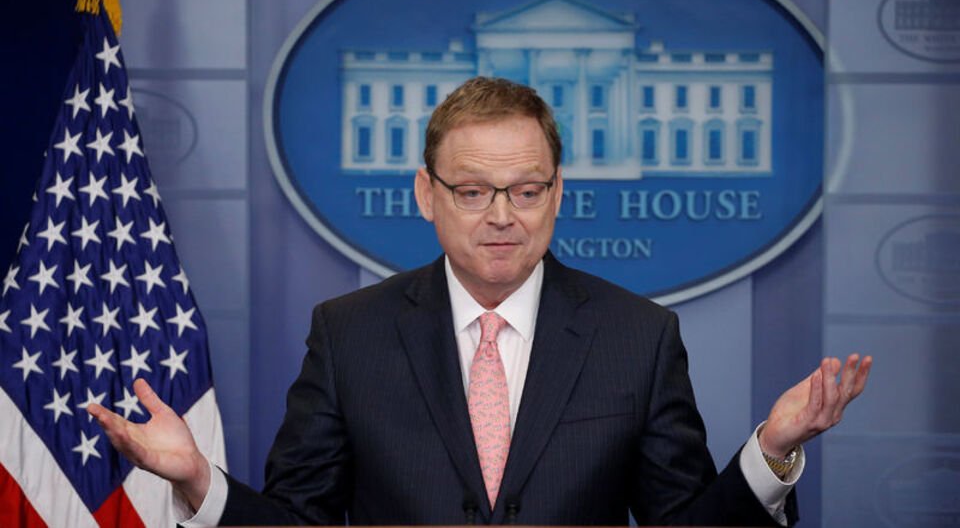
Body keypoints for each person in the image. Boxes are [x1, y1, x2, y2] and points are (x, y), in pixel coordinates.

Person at [89, 77, 871, 526]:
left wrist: (771, 452)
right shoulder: (349, 334)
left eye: (526, 189)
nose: (502, 215)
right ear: (426, 194)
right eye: (472, 191)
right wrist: (198, 481)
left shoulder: (638, 336)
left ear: (557, 193)